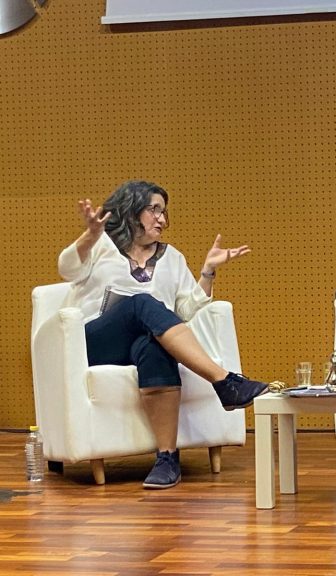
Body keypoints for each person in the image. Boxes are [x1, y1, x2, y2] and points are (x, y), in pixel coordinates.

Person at [58, 180, 269, 490]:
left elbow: (184, 311)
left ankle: (167, 459)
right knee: (141, 302)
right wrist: (90, 235)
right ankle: (223, 380)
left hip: (137, 346)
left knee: (155, 348)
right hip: (96, 343)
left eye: (164, 212)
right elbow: (67, 268)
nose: (162, 219)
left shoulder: (172, 258)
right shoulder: (101, 245)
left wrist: (208, 272)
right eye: (153, 210)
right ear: (132, 211)